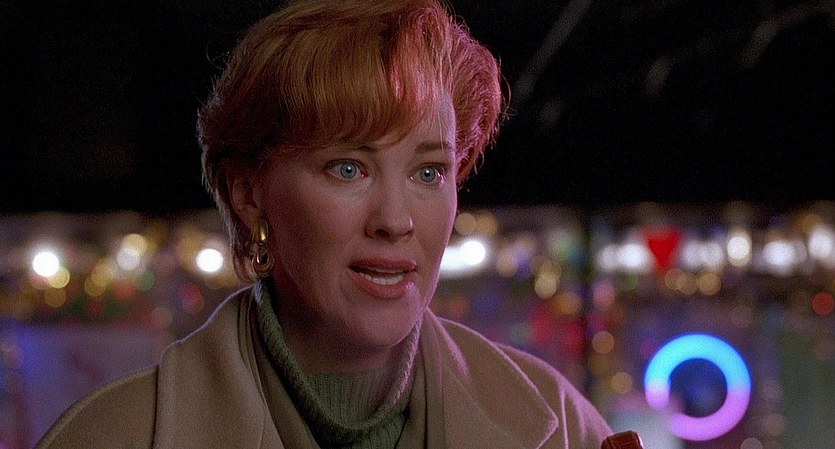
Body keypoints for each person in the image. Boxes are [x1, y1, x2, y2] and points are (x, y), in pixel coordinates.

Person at [37, 0, 613, 447]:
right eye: (348, 168)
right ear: (248, 194)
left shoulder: (563, 427)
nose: (395, 220)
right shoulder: (113, 436)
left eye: (429, 172)